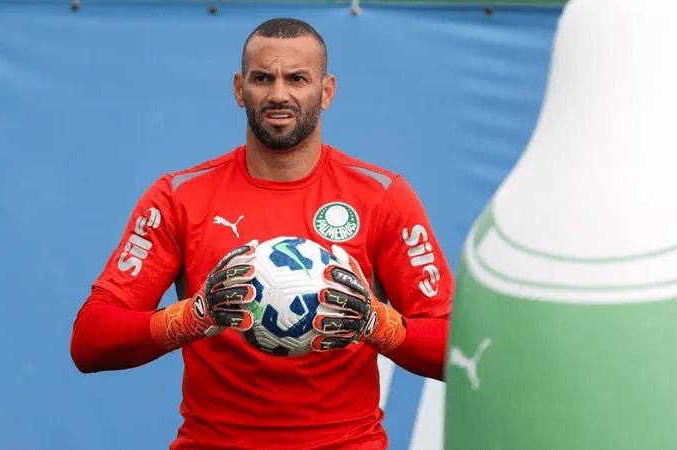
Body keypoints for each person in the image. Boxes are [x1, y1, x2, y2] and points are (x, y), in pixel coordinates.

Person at [70, 17, 454, 450]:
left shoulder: (382, 197)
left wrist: (377, 324)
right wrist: (192, 317)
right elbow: (90, 339)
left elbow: (455, 350)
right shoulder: (178, 197)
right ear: (239, 89)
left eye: (297, 79)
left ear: (326, 91)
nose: (278, 94)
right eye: (262, 78)